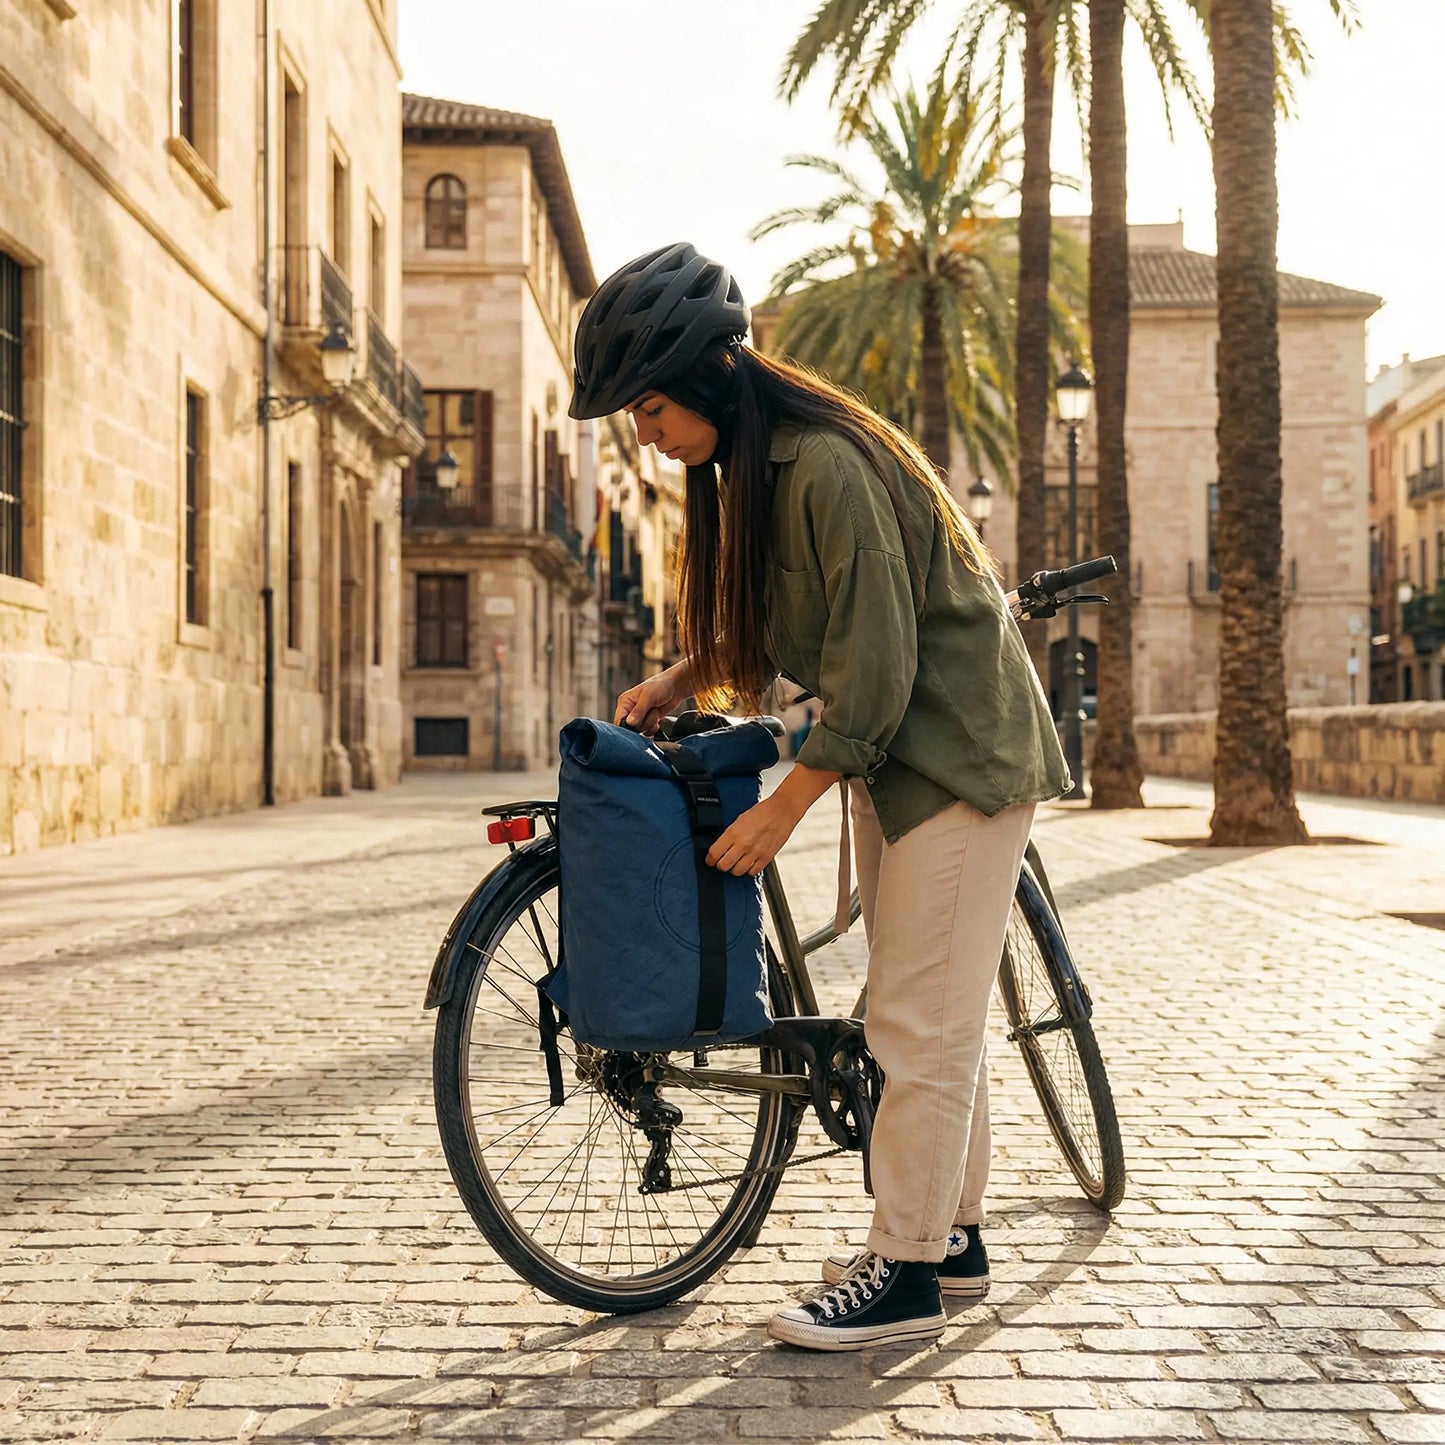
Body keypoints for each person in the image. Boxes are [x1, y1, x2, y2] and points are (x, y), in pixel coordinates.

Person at [569, 242, 1070, 1352]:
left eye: (649, 406)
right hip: (906, 762)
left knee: (911, 1019)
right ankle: (951, 1242)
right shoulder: (760, 471)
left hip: (957, 758)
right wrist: (673, 674)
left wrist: (782, 805)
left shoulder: (825, 463)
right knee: (933, 1012)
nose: (643, 433)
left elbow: (878, 671)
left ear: (708, 376)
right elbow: (767, 623)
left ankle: (899, 1272)